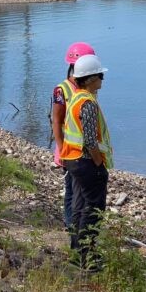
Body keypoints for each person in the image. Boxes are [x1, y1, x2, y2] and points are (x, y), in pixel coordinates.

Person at [60, 54, 112, 271]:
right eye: (100, 75)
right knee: (93, 209)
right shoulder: (88, 103)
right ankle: (88, 259)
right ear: (90, 79)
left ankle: (77, 253)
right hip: (86, 163)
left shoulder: (75, 97)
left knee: (80, 207)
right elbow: (90, 140)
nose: (103, 79)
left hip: (72, 160)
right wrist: (99, 164)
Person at [51, 42, 96, 229]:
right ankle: (72, 225)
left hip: (86, 152)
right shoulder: (62, 90)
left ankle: (81, 225)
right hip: (70, 152)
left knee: (85, 191)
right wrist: (61, 150)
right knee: (72, 190)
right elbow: (57, 121)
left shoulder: (89, 88)